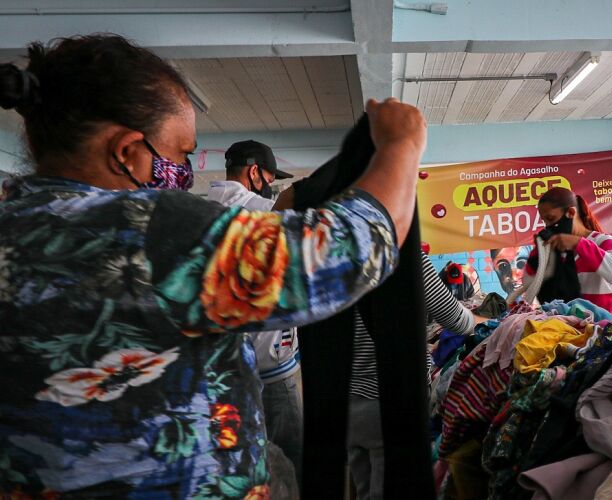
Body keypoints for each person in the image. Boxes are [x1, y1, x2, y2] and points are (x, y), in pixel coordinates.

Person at [0, 34, 426, 498]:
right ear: (126, 151)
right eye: (181, 156)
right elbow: (347, 254)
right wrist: (399, 147)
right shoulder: (146, 229)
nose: (182, 174)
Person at [206, 140, 303, 482]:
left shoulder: (203, 208)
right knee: (290, 459)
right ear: (253, 172)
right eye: (269, 177)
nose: (271, 185)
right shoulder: (254, 207)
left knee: (238, 461)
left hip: (222, 364)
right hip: (269, 363)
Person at [347, 252, 477, 500]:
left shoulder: (325, 251)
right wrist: (487, 321)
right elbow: (455, 319)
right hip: (390, 398)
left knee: (364, 486)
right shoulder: (404, 256)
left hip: (345, 396)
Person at [513, 187, 612, 315]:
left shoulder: (602, 241)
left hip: (603, 328)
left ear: (570, 212)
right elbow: (529, 287)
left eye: (551, 219)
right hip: (569, 329)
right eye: (545, 221)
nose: (548, 226)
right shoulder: (557, 250)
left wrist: (579, 244)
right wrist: (536, 256)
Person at [207, 139, 293, 211]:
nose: (269, 185)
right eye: (269, 180)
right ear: (253, 172)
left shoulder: (204, 206)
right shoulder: (267, 209)